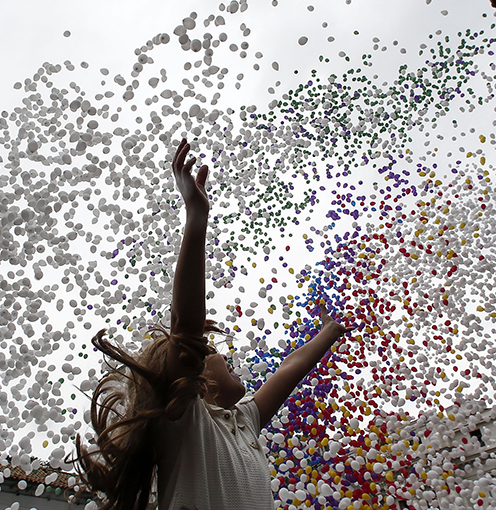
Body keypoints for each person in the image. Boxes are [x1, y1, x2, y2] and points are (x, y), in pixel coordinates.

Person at [74, 139, 352, 510]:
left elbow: (290, 368)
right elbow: (185, 327)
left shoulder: (243, 421)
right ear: (194, 376)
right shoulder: (185, 416)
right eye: (216, 353)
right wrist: (196, 216)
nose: (226, 357)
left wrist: (330, 331)